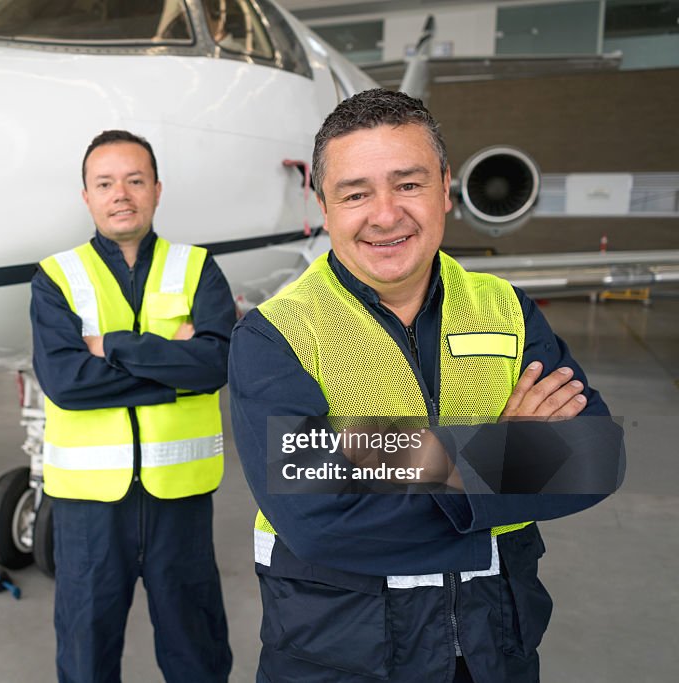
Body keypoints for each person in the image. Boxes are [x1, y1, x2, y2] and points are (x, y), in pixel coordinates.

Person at [228, 89, 623, 683]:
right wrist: (505, 448)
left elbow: (594, 458)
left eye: (407, 184)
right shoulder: (275, 333)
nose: (385, 215)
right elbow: (313, 515)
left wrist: (364, 455)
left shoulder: (506, 310)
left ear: (445, 186)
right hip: (338, 655)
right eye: (356, 193)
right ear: (325, 206)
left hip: (492, 648)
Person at [31, 130, 235, 683]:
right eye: (105, 183)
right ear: (87, 196)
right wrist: (175, 369)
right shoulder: (57, 278)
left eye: (134, 180)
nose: (121, 193)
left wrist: (114, 348)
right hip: (90, 508)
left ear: (157, 190)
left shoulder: (197, 268)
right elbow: (66, 382)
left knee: (197, 650)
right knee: (86, 651)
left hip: (180, 498)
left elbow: (217, 365)